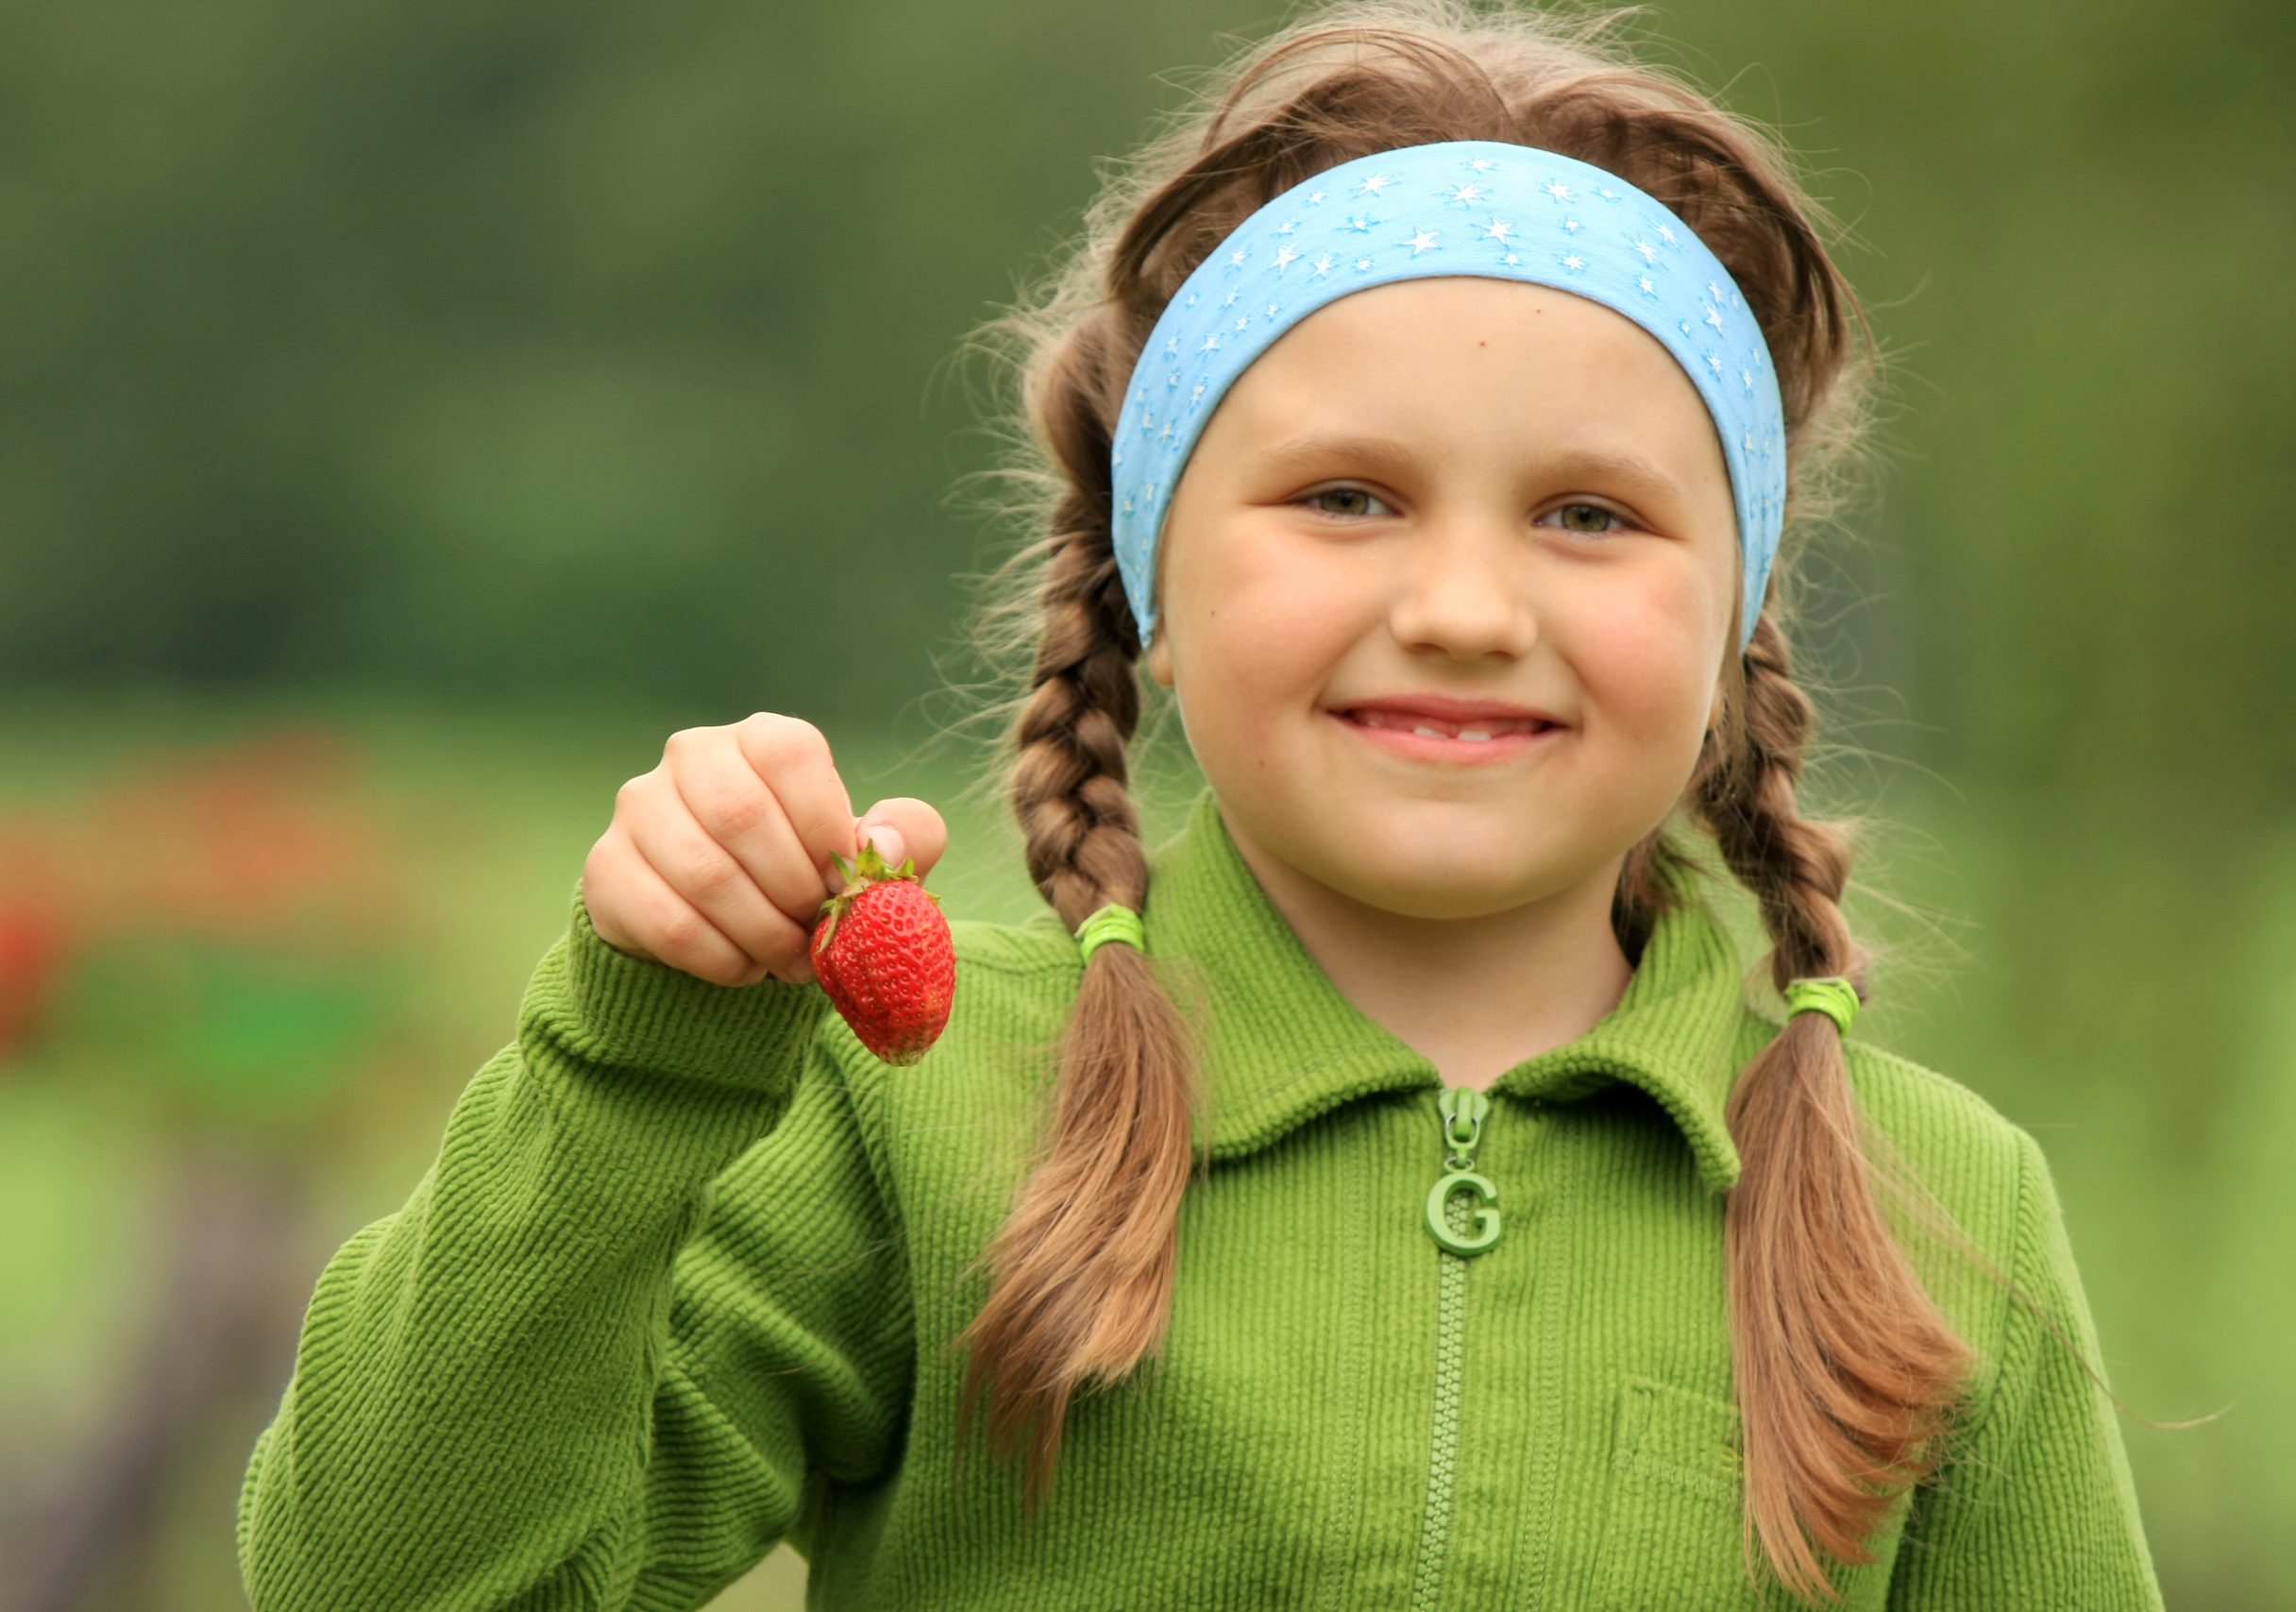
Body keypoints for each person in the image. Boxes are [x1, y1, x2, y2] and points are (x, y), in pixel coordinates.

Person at [235, 2, 2166, 1606]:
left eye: (1589, 513)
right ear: (1149, 585)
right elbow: (385, 1580)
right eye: (1345, 496)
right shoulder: (911, 1112)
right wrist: (636, 1062)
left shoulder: (1940, 1208)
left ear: (1736, 620)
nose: (1466, 608)